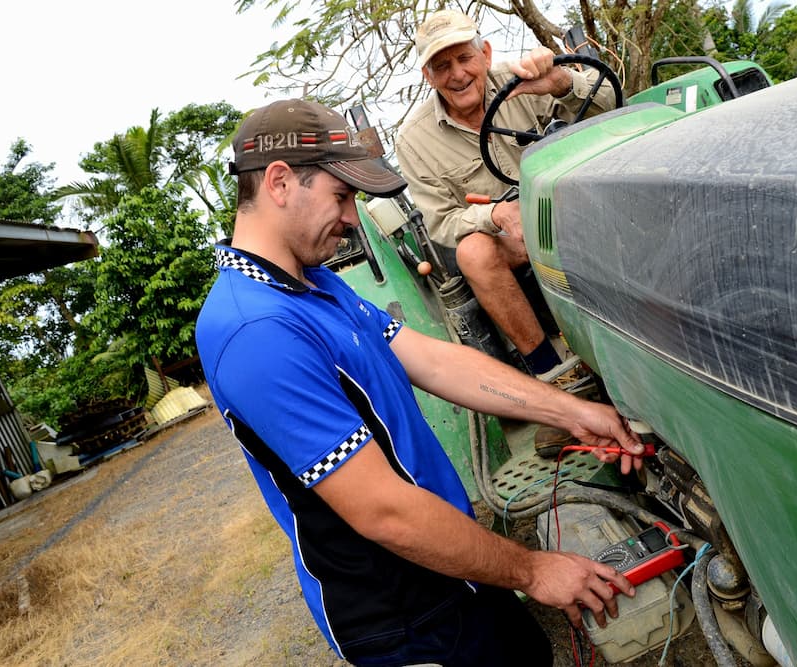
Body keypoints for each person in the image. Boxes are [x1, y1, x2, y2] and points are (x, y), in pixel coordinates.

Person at [196, 98, 645, 667]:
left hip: (452, 560)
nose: (352, 219)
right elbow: (382, 510)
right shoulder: (255, 331)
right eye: (341, 196)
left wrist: (569, 412)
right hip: (402, 617)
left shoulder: (312, 284)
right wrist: (532, 568)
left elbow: (431, 360)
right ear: (281, 181)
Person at [395, 10, 618, 395]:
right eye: (442, 66)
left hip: (573, 211)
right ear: (428, 77)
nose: (457, 74)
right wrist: (495, 213)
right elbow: (441, 222)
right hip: (508, 239)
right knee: (473, 252)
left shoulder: (525, 81)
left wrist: (561, 83)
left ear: (485, 53)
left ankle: (628, 337)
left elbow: (613, 108)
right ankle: (554, 379)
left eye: (465, 58)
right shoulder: (413, 140)